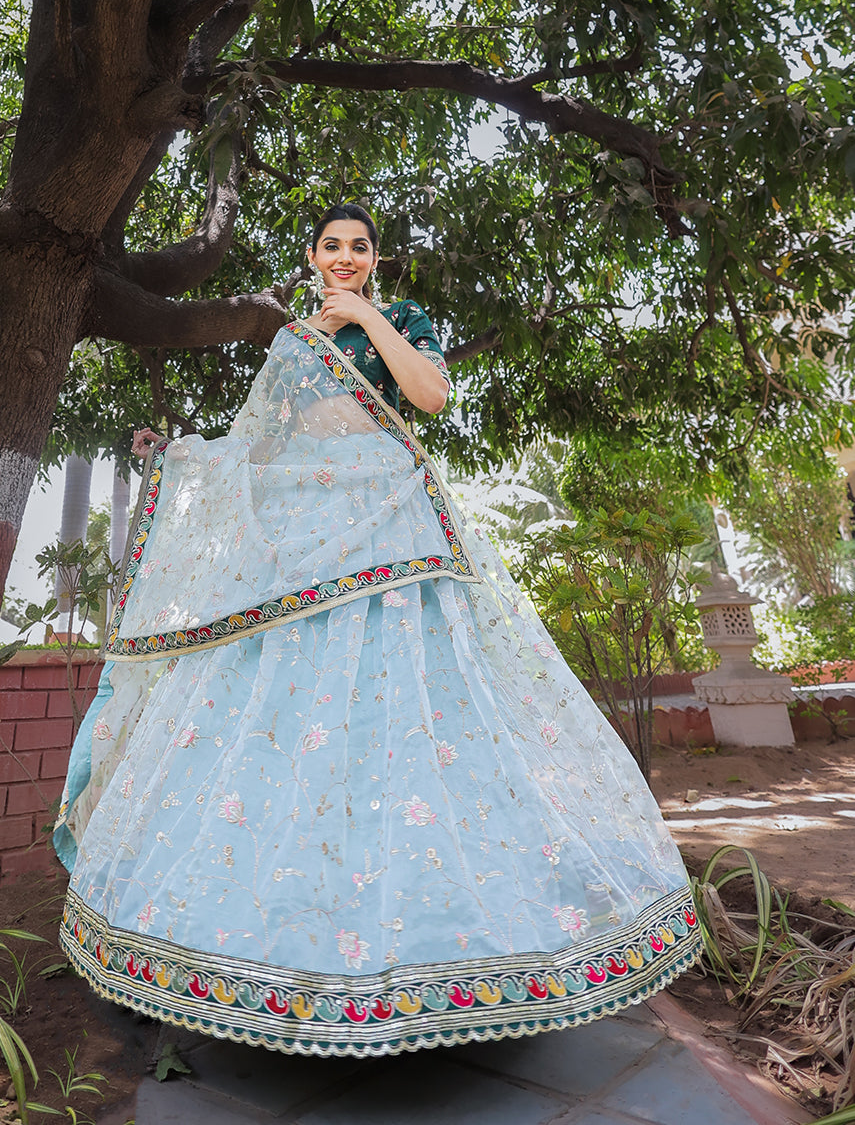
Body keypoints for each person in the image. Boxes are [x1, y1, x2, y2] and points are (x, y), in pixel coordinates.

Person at [54, 203, 700, 1057]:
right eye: (332, 246)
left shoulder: (402, 320)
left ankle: (462, 955)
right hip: (300, 542)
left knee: (411, 713)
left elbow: (429, 397)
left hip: (392, 520)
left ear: (376, 259)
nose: (346, 257)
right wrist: (182, 456)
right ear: (310, 252)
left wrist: (362, 317)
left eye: (360, 248)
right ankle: (216, 951)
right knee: (277, 722)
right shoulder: (289, 344)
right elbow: (257, 450)